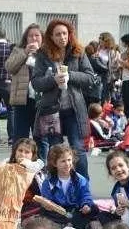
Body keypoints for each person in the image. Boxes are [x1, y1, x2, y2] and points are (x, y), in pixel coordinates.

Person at [30, 19, 97, 178]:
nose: (62, 37)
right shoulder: (42, 54)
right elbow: (36, 82)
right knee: (56, 151)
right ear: (51, 37)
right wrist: (53, 79)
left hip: (73, 110)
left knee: (77, 148)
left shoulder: (78, 51)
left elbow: (90, 77)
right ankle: (57, 185)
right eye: (58, 34)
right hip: (51, 110)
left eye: (65, 33)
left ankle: (82, 186)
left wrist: (70, 75)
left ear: (70, 34)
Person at [39, 145, 99, 229]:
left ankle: (69, 224)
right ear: (55, 164)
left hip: (75, 209)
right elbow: (47, 199)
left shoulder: (80, 179)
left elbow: (85, 195)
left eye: (69, 160)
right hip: (58, 211)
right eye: (63, 161)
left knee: (94, 208)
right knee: (44, 212)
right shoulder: (48, 182)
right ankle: (72, 224)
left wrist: (85, 204)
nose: (67, 164)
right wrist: (47, 205)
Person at [5, 24, 42, 142]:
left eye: (37, 35)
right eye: (30, 36)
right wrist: (25, 52)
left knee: (41, 138)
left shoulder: (46, 52)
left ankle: (41, 160)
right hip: (22, 99)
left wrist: (39, 54)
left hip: (41, 100)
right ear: (26, 38)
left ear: (42, 37)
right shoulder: (18, 50)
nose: (34, 38)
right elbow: (9, 67)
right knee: (20, 137)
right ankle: (18, 159)